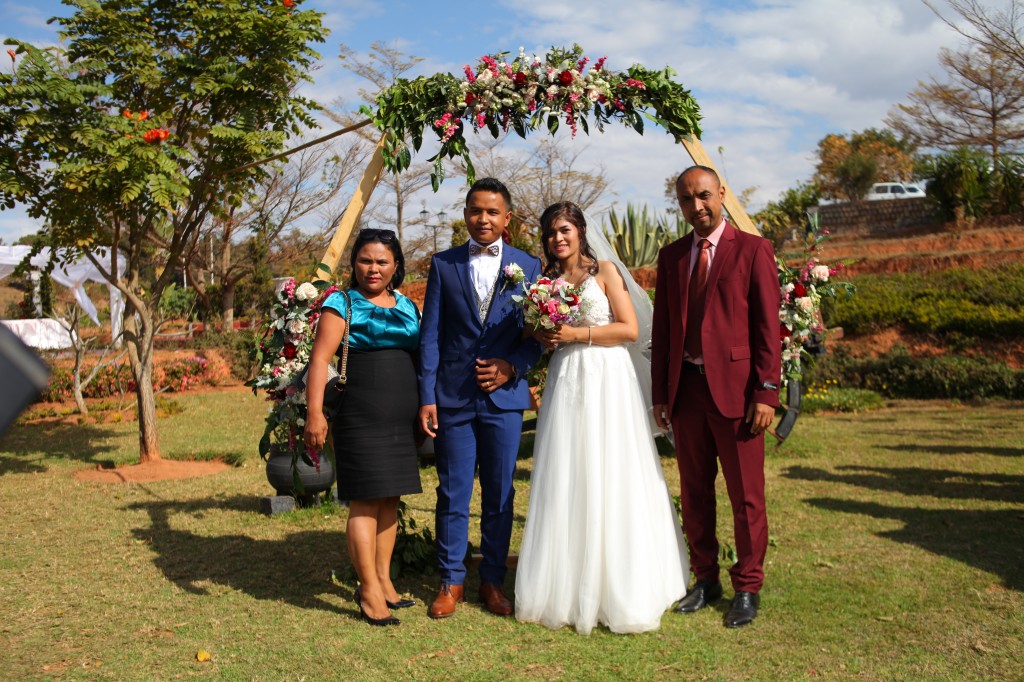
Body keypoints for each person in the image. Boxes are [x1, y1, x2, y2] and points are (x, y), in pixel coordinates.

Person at [514, 201, 689, 635]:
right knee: (567, 471)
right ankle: (564, 583)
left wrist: (578, 334)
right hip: (566, 378)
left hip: (607, 377)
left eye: (565, 230)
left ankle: (623, 584)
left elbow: (630, 329)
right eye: (551, 232)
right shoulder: (547, 281)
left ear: (580, 231)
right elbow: (537, 330)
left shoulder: (605, 272)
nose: (558, 238)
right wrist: (542, 329)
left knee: (611, 470)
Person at [651, 165, 782, 629]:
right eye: (687, 200)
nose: (697, 206)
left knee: (746, 496)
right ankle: (705, 578)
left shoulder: (752, 250)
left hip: (739, 395)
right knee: (695, 490)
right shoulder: (671, 258)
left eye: (704, 196)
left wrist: (767, 391)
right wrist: (660, 394)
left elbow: (769, 327)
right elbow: (663, 331)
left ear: (721, 193)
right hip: (686, 392)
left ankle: (748, 585)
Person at [418, 177, 543, 619]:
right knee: (452, 492)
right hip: (452, 397)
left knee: (499, 492)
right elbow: (430, 334)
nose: (483, 218)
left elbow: (538, 338)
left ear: (507, 218)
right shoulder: (443, 264)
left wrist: (513, 365)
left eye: (492, 212)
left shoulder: (529, 266)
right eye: (476, 210)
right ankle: (450, 581)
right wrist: (427, 394)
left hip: (504, 399)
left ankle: (492, 580)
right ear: (465, 213)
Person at [304, 228, 422, 628]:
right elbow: (320, 362)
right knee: (365, 500)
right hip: (360, 412)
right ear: (354, 263)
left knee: (390, 498)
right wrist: (315, 414)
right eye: (366, 260)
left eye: (382, 261)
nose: (373, 268)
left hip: (400, 415)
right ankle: (368, 589)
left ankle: (385, 580)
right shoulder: (342, 303)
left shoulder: (407, 305)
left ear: (396, 266)